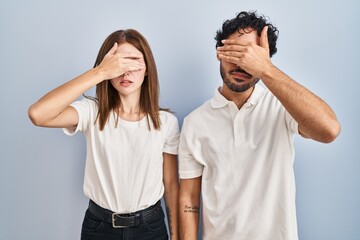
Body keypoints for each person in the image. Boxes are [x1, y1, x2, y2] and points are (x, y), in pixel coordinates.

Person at [178, 11, 341, 240]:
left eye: (251, 56)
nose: (241, 64)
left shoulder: (283, 107)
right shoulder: (194, 123)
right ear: (219, 52)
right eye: (235, 52)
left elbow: (329, 130)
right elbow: (189, 197)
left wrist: (266, 70)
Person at [28, 29, 180, 240]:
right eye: (118, 63)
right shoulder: (92, 111)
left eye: (133, 61)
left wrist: (176, 236)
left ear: (147, 69)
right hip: (100, 228)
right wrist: (99, 73)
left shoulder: (166, 122)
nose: (125, 72)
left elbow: (171, 185)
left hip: (150, 228)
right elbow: (38, 114)